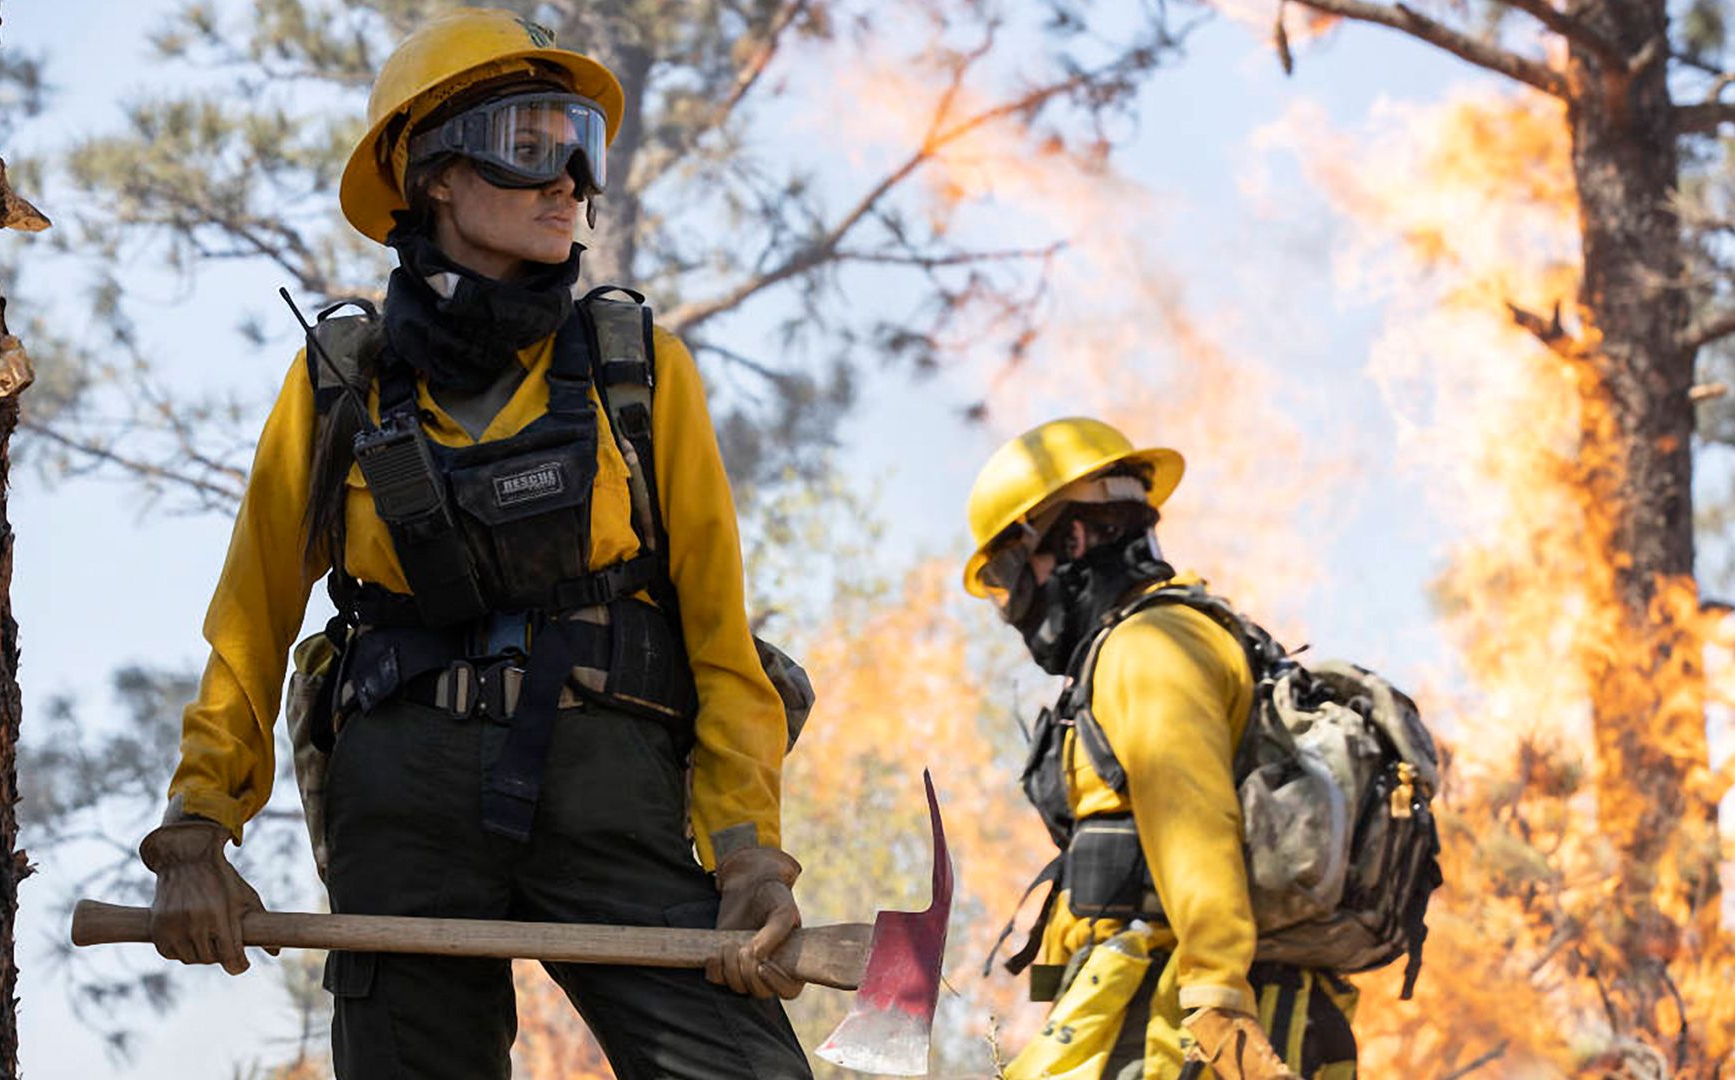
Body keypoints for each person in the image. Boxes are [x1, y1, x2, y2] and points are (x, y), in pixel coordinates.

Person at [135, 9, 813, 1077]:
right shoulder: (339, 383)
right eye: (531, 144)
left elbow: (722, 640)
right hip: (401, 808)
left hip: (611, 791)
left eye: (583, 150)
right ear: (434, 173)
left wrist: (750, 858)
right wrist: (193, 835)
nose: (569, 184)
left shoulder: (641, 372)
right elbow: (252, 622)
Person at [962, 418, 1357, 1080]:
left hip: (1183, 1018)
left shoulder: (1148, 649)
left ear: (1073, 537)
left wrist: (1216, 1001)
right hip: (1200, 1003)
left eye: (1010, 568)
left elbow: (1192, 816)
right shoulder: (1176, 634)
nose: (1015, 604)